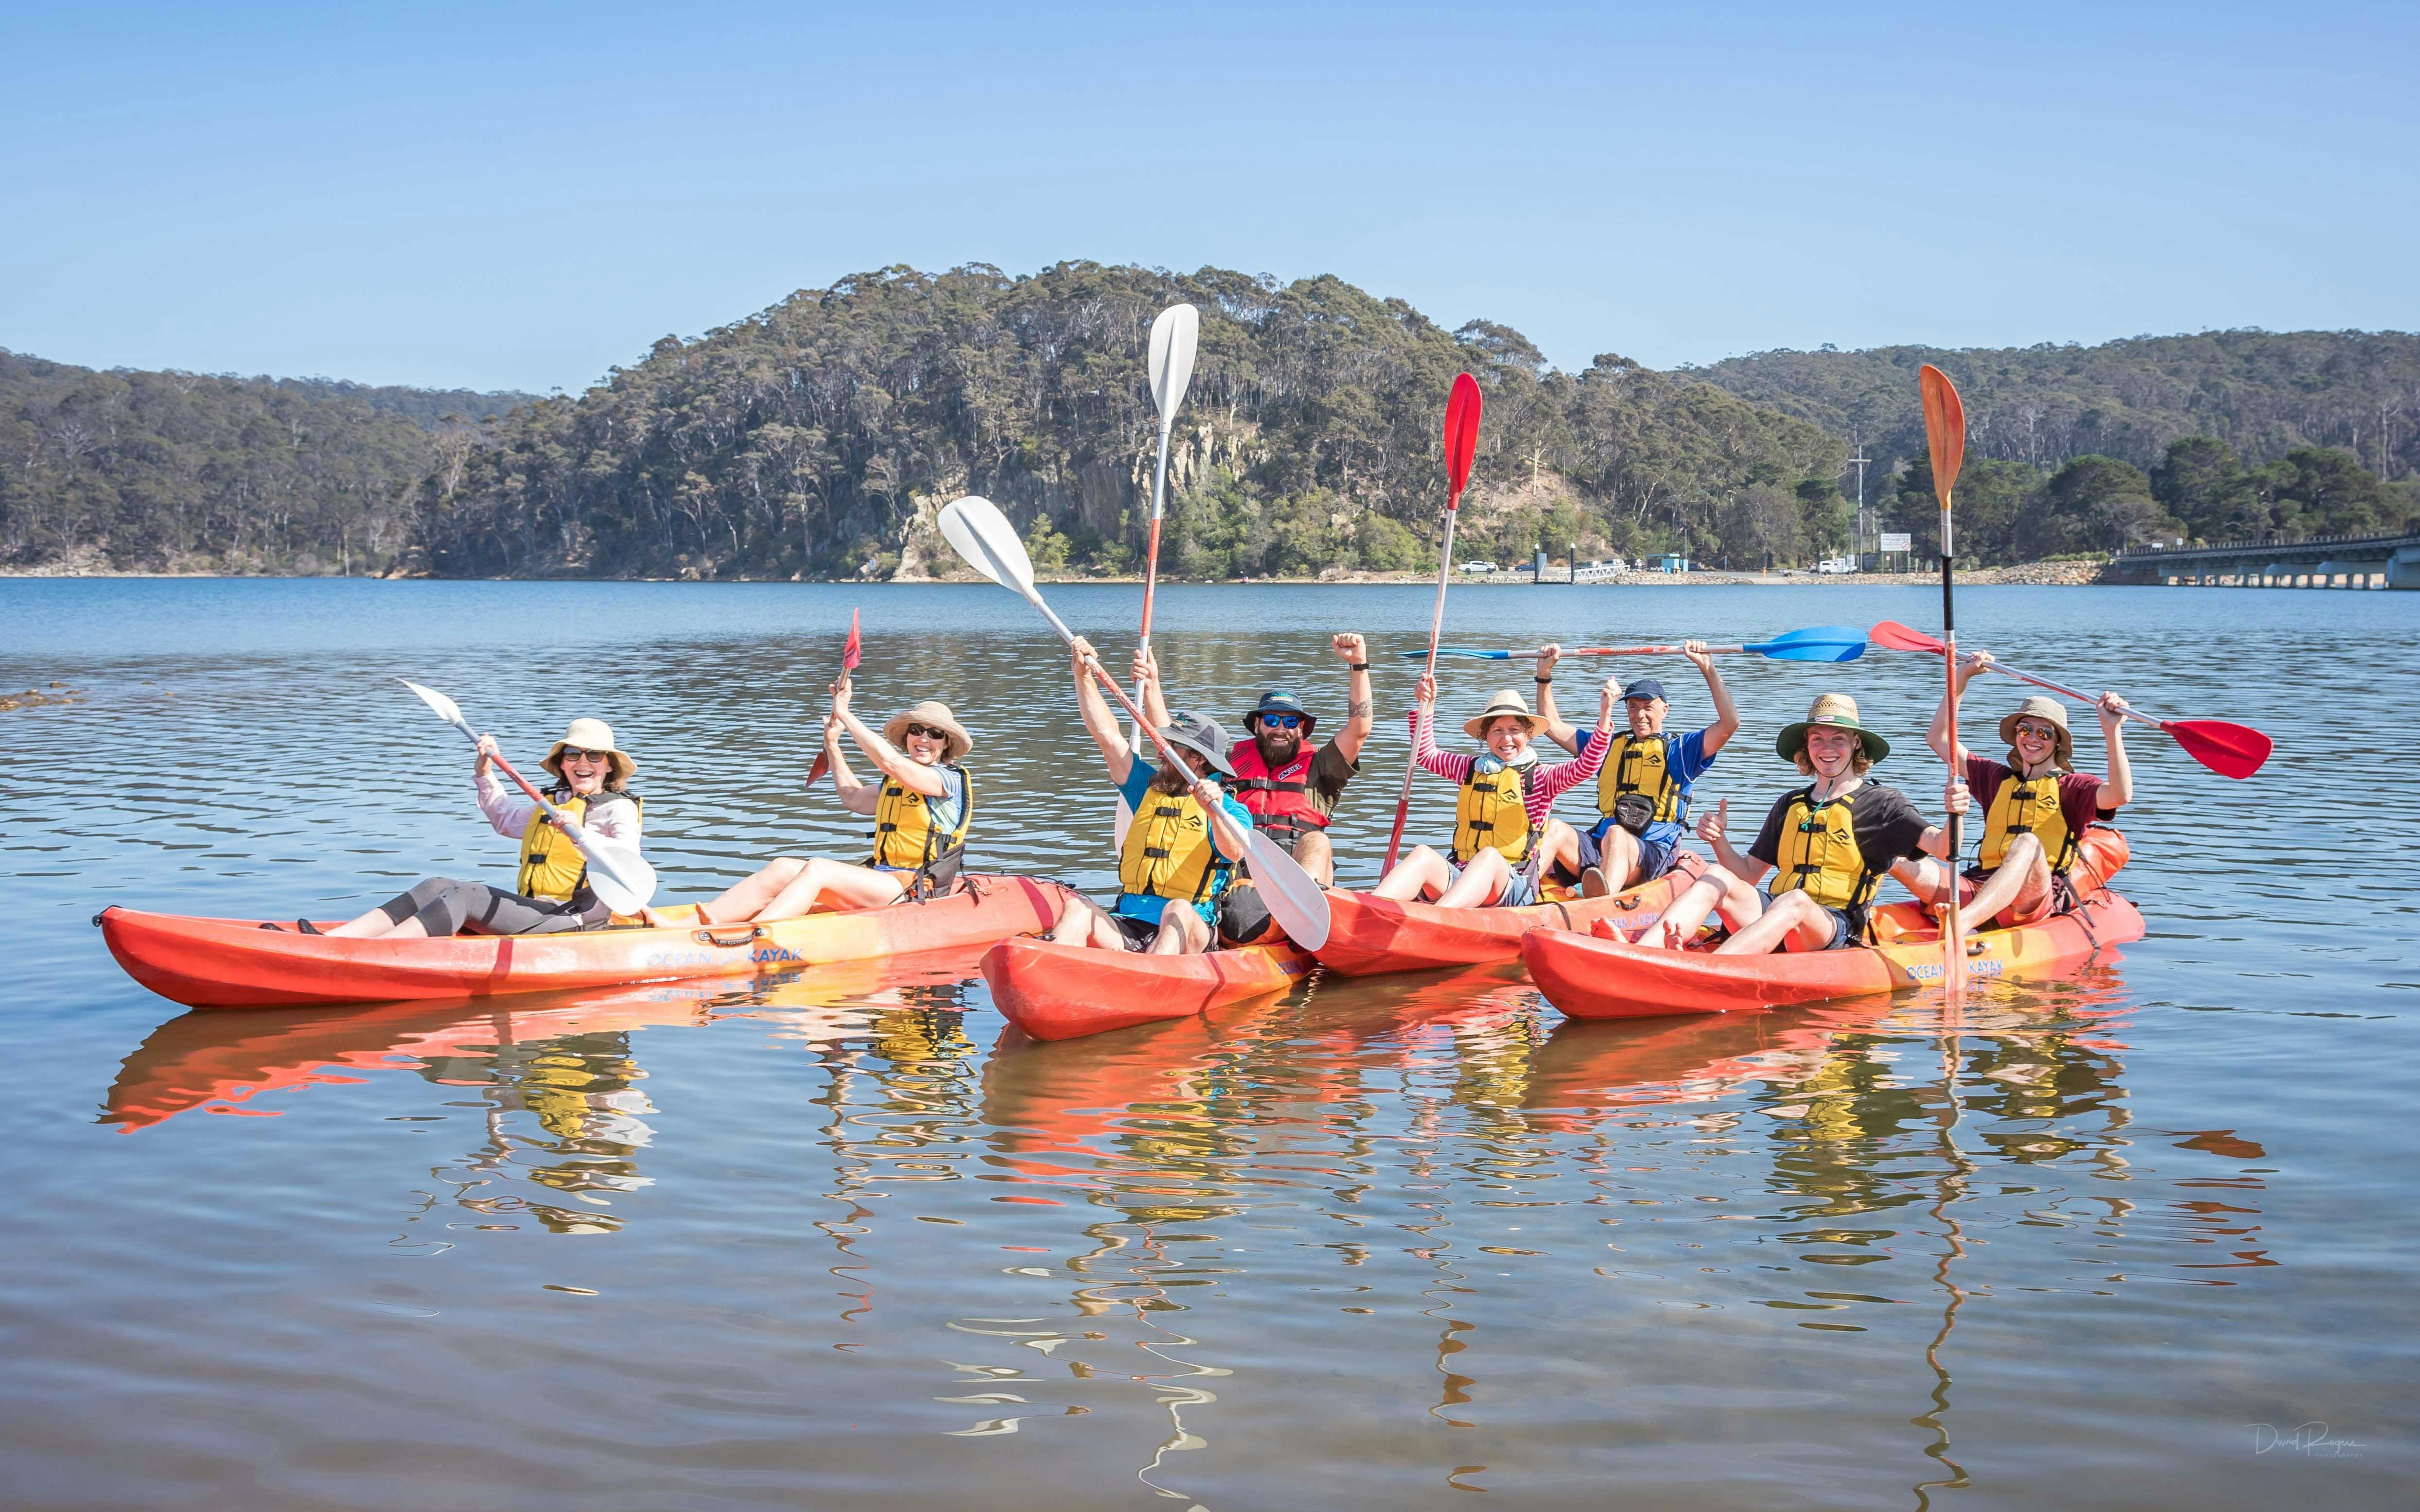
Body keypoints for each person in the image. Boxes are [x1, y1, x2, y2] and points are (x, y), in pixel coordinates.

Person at [1648, 693, 1962, 955]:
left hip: (1832, 928)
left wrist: (1954, 813)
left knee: (1796, 900)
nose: (1827, 748)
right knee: (1715, 874)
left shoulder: (1883, 803)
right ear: (1807, 747)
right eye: (1818, 739)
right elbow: (1746, 874)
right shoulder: (1790, 804)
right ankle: (1647, 953)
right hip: (1774, 913)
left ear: (1856, 744)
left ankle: (1710, 971)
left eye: (1838, 739)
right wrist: (1719, 841)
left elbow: (1942, 846)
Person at [1134, 632, 1374, 941]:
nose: (1281, 729)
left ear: (1301, 729)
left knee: (1317, 840)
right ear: (1257, 725)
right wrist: (1152, 685)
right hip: (1242, 874)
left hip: (1297, 880)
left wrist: (1358, 666)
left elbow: (1359, 730)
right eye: (1272, 720)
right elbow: (1177, 746)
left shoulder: (1320, 765)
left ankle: (1306, 915)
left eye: (1290, 723)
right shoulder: (1232, 763)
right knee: (1237, 908)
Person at [682, 675, 975, 926]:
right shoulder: (896, 782)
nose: (924, 738)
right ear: (908, 736)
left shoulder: (948, 780)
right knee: (783, 866)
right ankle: (682, 926)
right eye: (916, 730)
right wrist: (833, 744)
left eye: (935, 733)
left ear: (946, 742)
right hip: (881, 878)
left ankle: (756, 932)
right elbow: (853, 798)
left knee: (820, 867)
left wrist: (845, 713)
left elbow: (891, 762)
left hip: (914, 885)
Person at [316, 719, 647, 939]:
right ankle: (337, 940)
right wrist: (485, 770)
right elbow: (505, 820)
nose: (582, 762)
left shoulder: (619, 808)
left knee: (467, 895)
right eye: (573, 754)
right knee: (437, 885)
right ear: (562, 763)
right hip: (537, 909)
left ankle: (375, 953)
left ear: (608, 765)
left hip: (573, 919)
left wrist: (582, 835)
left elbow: (626, 863)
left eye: (594, 755)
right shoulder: (553, 801)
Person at [1047, 636, 1260, 955]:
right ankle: (1054, 976)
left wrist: (1214, 812)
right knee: (1077, 909)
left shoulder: (1229, 808)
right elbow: (1107, 736)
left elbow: (1235, 853)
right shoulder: (1146, 787)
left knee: (1177, 909)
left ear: (1198, 759)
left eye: (1173, 747)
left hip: (1190, 928)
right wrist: (1083, 676)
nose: (1162, 752)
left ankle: (1150, 984)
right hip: (1129, 922)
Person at [1888, 653, 2134, 928]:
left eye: (2044, 733)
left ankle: (1961, 922)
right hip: (1977, 885)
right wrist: (1961, 677)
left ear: (2057, 743)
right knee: (1890, 851)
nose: (2032, 738)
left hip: (2031, 898)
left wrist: (2112, 731)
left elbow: (2120, 795)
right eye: (2025, 729)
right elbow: (1939, 739)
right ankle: (1848, 923)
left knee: (2027, 842)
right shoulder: (1995, 777)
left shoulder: (2074, 787)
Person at [1371, 675, 1619, 908]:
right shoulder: (1469, 769)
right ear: (1486, 736)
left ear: (1528, 734)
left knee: (1489, 857)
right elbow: (1425, 754)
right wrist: (1427, 705)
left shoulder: (1543, 778)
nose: (1507, 739)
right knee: (1422, 854)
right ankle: (1369, 910)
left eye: (1514, 730)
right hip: (1462, 872)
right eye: (1497, 731)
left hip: (1513, 883)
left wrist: (1605, 715)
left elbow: (1587, 766)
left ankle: (1440, 917)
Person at [1536, 639, 1739, 895]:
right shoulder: (1608, 746)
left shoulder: (1682, 751)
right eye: (1633, 707)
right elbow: (1551, 725)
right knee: (1555, 828)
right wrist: (1544, 675)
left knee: (1617, 834)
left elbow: (1729, 723)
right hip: (1601, 846)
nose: (1639, 715)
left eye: (1648, 708)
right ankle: (1520, 891)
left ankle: (1599, 905)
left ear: (1665, 710)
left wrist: (1708, 668)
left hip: (1651, 853)